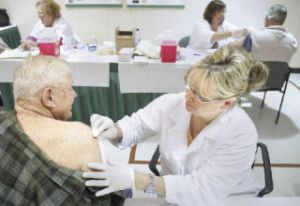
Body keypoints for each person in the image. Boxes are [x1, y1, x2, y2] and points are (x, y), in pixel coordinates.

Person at [83, 46, 269, 206]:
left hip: (227, 199)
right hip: (173, 195)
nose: (188, 96)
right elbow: (137, 125)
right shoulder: (173, 104)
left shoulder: (241, 132)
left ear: (227, 103)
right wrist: (115, 130)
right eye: (190, 86)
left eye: (200, 95)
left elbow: (202, 191)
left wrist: (134, 180)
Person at [0, 55, 124, 205]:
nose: (75, 94)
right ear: (49, 97)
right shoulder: (83, 137)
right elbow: (110, 197)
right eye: (70, 88)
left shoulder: (3, 123)